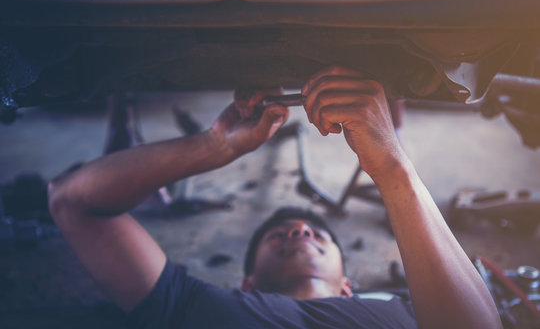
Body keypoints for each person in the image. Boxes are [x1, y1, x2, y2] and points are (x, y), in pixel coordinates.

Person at [48, 66, 502, 328]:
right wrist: (215, 145)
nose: (301, 229)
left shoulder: (414, 309)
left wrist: (393, 166)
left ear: (349, 287)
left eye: (315, 233)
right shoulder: (200, 307)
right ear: (246, 283)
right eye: (279, 235)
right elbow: (70, 200)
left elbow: (74, 205)